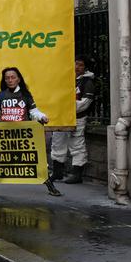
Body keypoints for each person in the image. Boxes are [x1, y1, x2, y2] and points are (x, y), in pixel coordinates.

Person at [0, 67, 61, 197]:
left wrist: (42, 117)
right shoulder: (1, 95)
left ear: (18, 79)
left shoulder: (26, 95)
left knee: (36, 160)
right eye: (7, 78)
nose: (10, 80)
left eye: (13, 77)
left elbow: (34, 112)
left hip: (23, 135)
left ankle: (50, 186)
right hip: (5, 135)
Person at [51, 56, 97, 184]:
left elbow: (85, 103)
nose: (77, 67)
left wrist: (66, 107)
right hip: (61, 117)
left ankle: (77, 175)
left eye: (80, 65)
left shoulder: (87, 82)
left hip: (78, 118)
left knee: (77, 144)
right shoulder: (66, 79)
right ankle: (57, 172)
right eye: (75, 64)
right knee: (57, 142)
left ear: (85, 67)